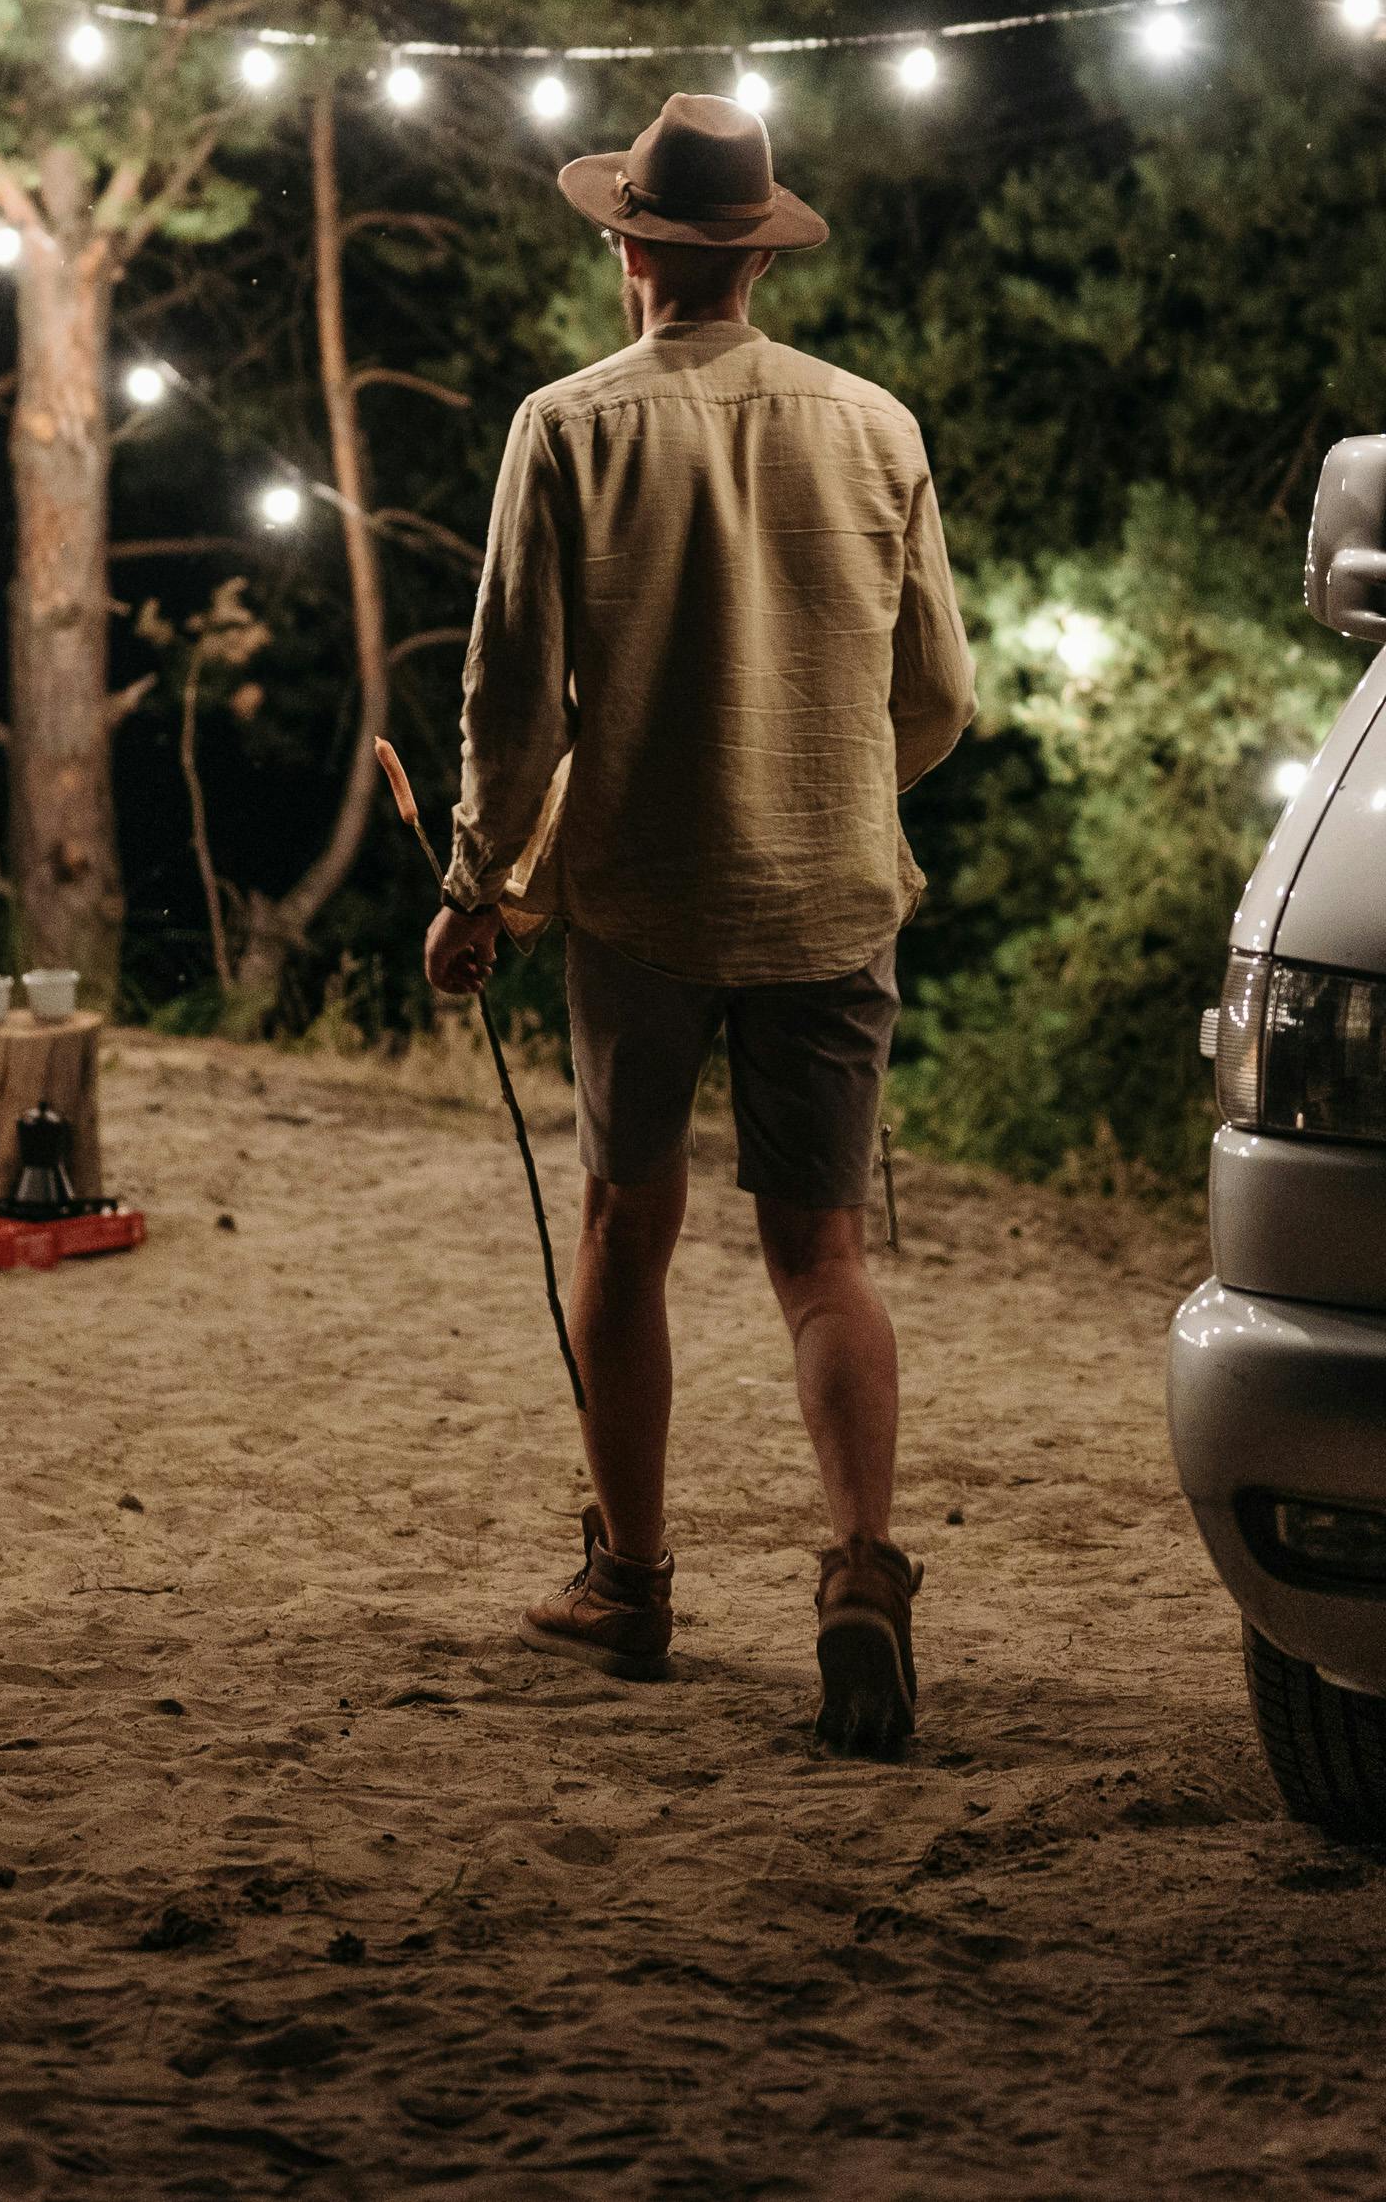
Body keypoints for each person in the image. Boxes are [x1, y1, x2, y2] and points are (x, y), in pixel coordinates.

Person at [428, 90, 974, 1758]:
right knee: (823, 1256)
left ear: (631, 250)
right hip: (828, 893)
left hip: (643, 900)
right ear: (752, 254)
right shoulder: (877, 426)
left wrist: (482, 882)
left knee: (625, 1221)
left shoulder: (567, 425)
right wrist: (834, 789)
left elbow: (511, 697)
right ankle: (863, 1570)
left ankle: (637, 1578)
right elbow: (937, 693)